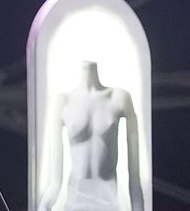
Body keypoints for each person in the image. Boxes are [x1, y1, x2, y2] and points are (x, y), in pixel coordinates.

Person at [37, 60, 144, 211]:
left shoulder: (119, 98)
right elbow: (55, 181)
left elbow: (134, 177)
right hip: (75, 204)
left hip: (109, 204)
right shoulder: (62, 101)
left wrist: (138, 207)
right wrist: (44, 206)